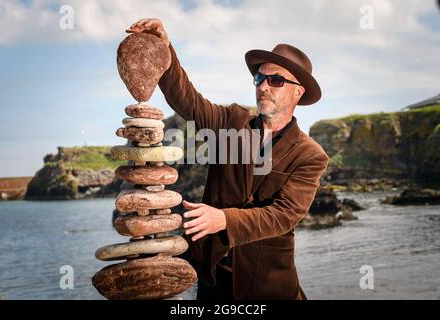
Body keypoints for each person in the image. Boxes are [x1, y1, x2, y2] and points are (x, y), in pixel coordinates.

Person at [126, 18, 329, 300]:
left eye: (276, 80)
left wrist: (223, 219)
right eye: (259, 78)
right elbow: (188, 100)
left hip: (269, 285)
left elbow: (284, 215)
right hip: (213, 279)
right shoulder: (232, 120)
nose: (263, 86)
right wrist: (165, 49)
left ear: (298, 91)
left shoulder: (310, 155)